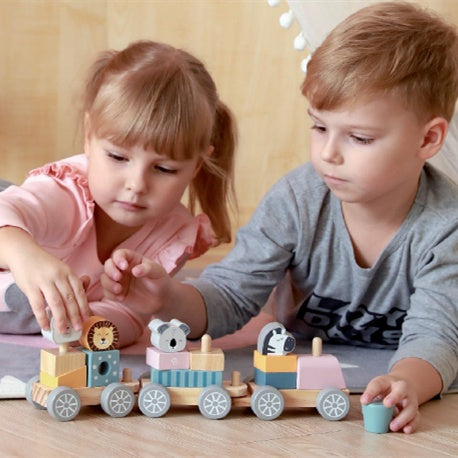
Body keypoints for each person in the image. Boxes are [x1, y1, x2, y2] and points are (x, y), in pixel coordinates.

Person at [101, 2, 458, 433]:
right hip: (300, 371)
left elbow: (437, 336)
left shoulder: (445, 226)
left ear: (428, 138)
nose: (328, 153)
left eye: (359, 137)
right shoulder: (297, 200)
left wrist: (408, 383)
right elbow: (231, 296)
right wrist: (167, 299)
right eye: (319, 127)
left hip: (387, 378)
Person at [0, 40, 237, 347]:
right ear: (88, 137)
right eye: (117, 157)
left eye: (163, 169)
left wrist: (91, 327)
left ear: (195, 167)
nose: (136, 185)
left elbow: (131, 316)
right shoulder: (65, 193)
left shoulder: (174, 234)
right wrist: (25, 256)